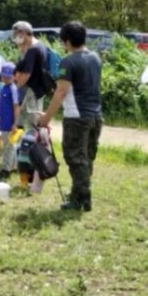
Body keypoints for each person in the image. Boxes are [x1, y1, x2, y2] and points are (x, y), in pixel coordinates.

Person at [38, 21, 102, 212]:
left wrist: (46, 118)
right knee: (87, 157)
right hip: (96, 115)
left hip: (77, 117)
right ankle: (79, 194)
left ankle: (81, 198)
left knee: (75, 157)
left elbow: (61, 92)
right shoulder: (95, 57)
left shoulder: (68, 61)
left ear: (66, 41)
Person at [12, 21, 48, 127]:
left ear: (23, 33)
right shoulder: (40, 45)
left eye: (16, 34)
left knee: (32, 123)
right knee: (26, 121)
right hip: (38, 89)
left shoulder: (32, 50)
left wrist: (14, 88)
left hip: (32, 91)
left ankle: (33, 143)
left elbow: (26, 74)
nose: (16, 37)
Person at [0, 62, 21, 179]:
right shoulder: (4, 88)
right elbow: (1, 102)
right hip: (4, 122)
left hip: (10, 123)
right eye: (3, 76)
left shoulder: (13, 89)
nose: (5, 78)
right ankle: (14, 166)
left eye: (8, 76)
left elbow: (16, 106)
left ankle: (6, 169)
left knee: (8, 146)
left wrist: (15, 123)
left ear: (13, 76)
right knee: (11, 145)